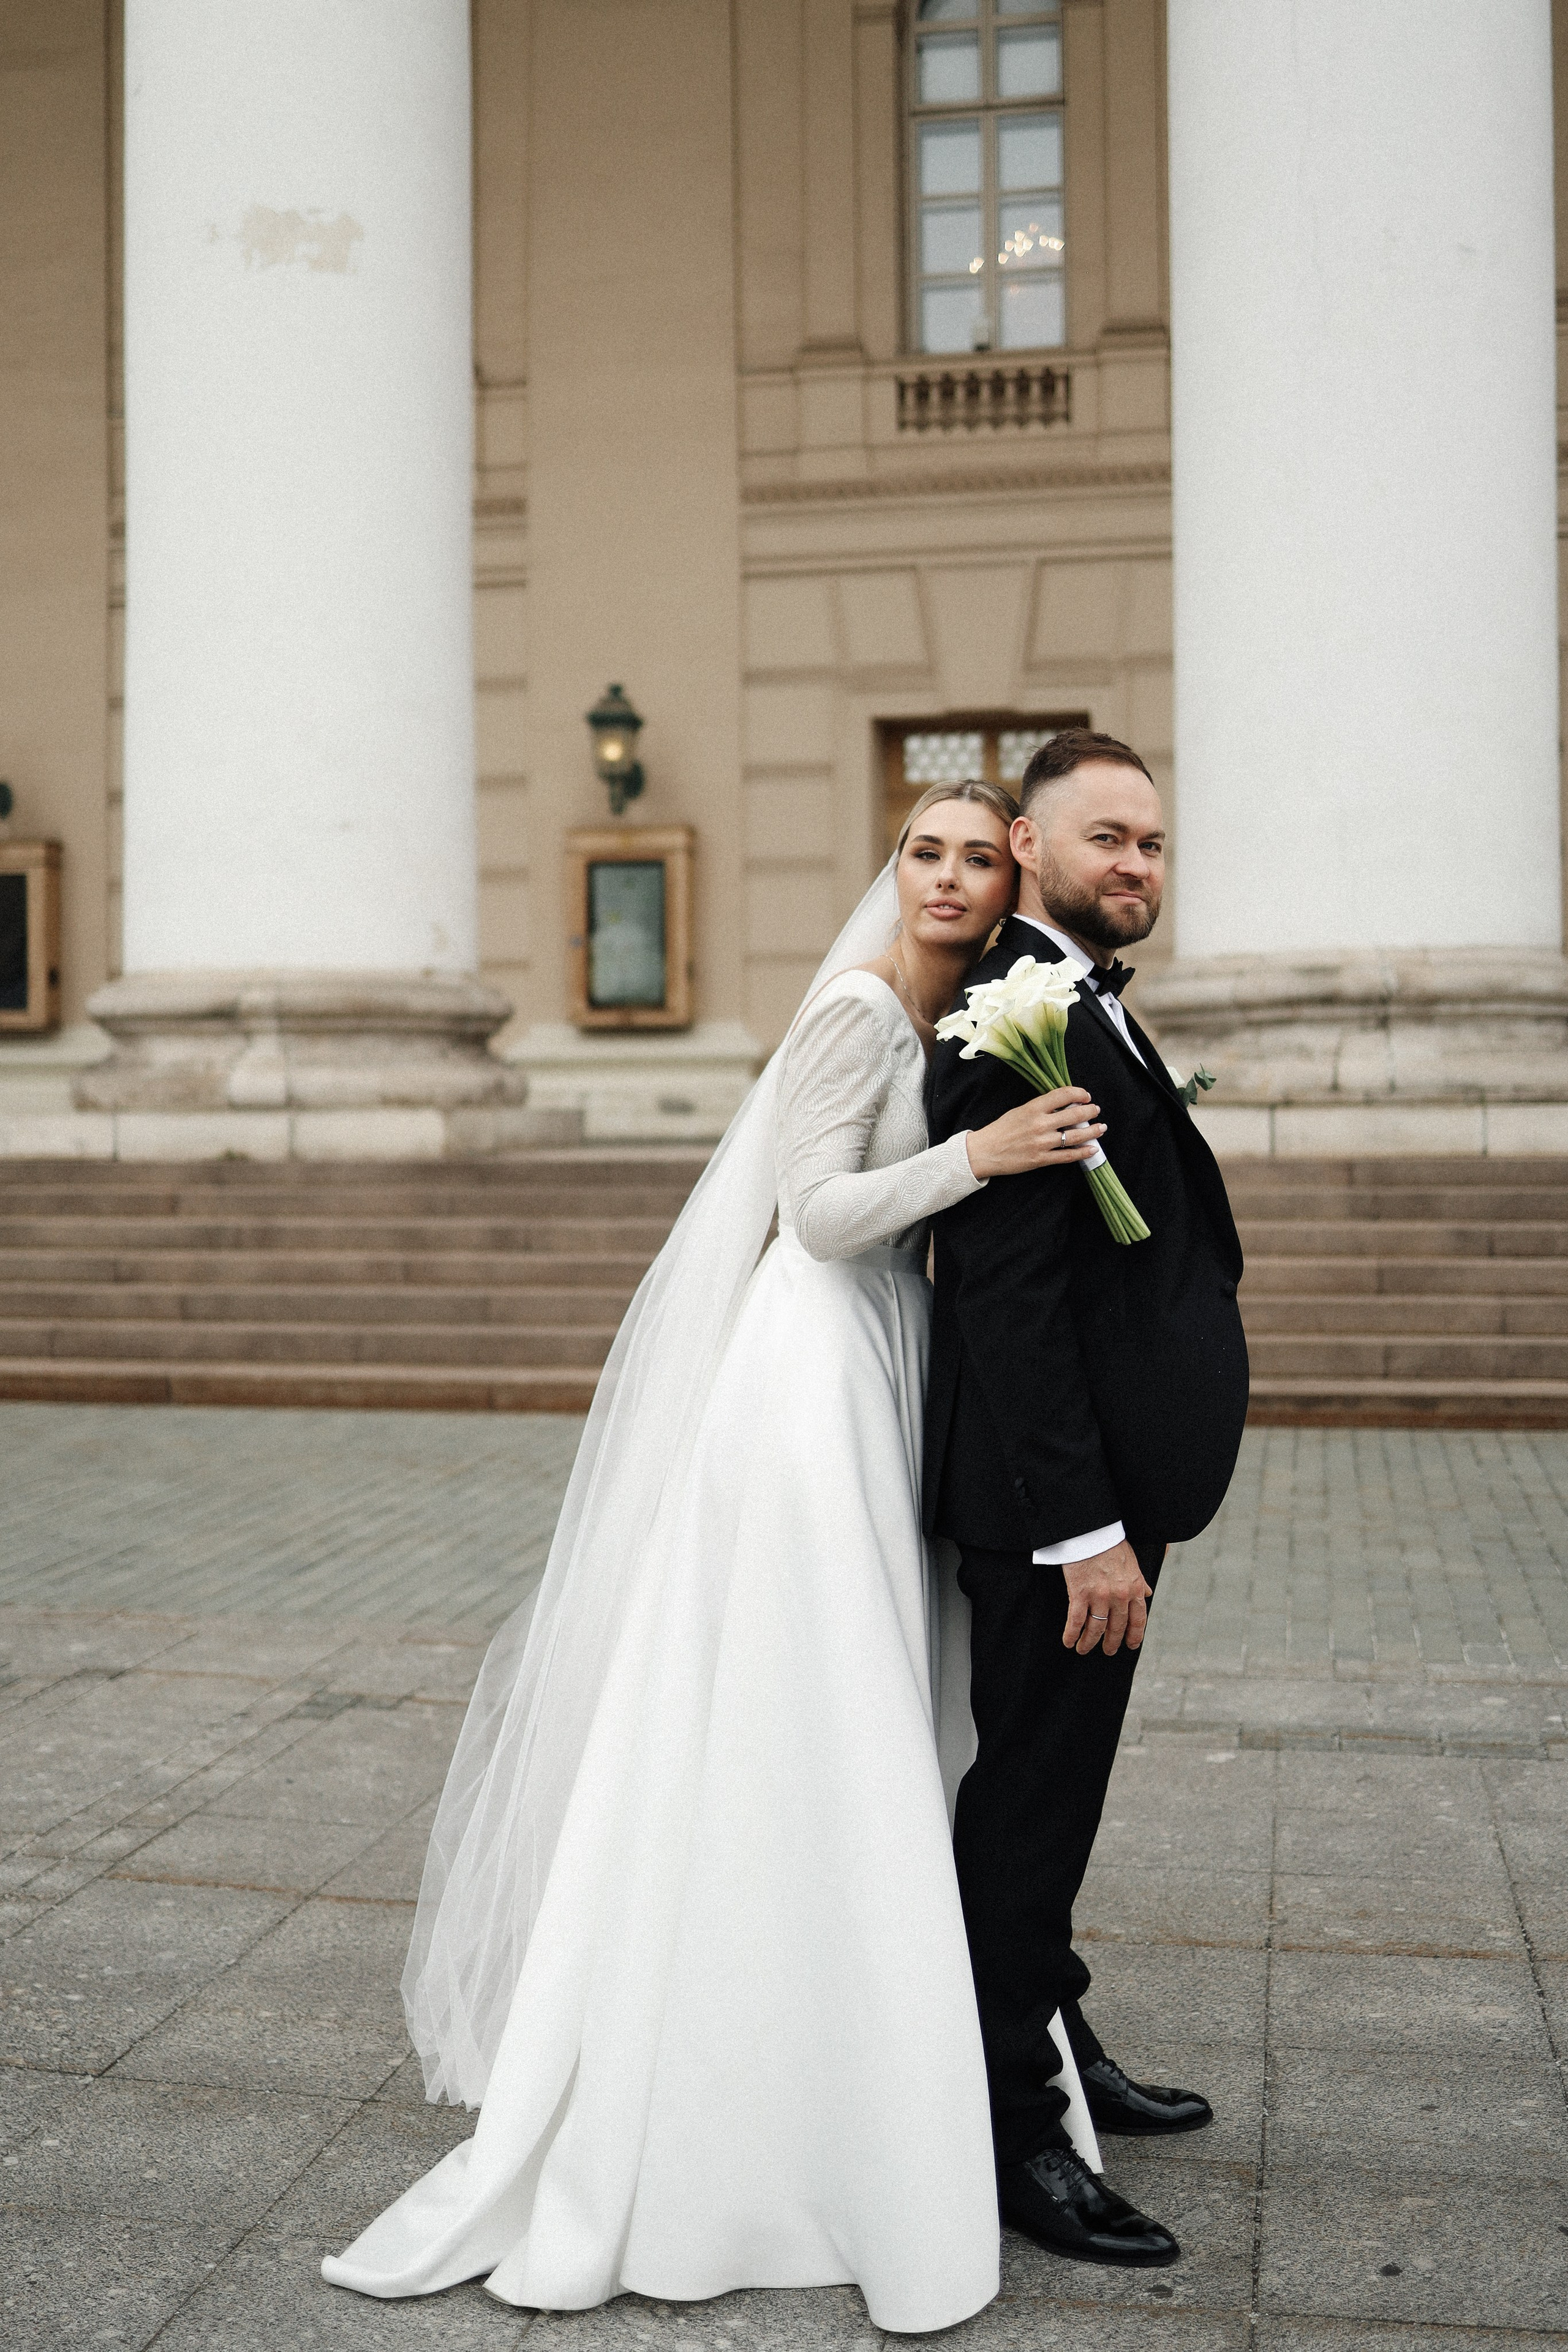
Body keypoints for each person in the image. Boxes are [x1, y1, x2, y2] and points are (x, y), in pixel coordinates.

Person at [323, 781, 1105, 2334]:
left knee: (850, 1702)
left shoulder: (964, 1011)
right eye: (921, 853)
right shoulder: (859, 1010)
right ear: (892, 871)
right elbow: (811, 1215)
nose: (946, 878)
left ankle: (866, 2033)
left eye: (972, 854)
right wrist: (986, 1161)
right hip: (808, 1375)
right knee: (801, 1706)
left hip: (876, 1363)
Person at [925, 729, 1250, 2269]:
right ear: (1032, 849)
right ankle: (1013, 2141)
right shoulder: (1006, 1028)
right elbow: (1010, 1307)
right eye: (1106, 837)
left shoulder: (1075, 1007)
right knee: (1025, 1823)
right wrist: (1081, 1534)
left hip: (1108, 1508)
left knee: (1052, 1809)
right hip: (1055, 1521)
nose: (1138, 863)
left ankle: (1060, 2048)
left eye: (1154, 842)